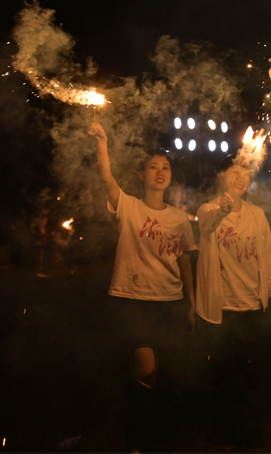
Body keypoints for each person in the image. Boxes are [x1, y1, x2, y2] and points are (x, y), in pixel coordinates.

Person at [89, 122, 196, 454]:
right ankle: (137, 444)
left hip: (170, 301)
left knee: (168, 382)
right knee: (146, 372)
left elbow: (183, 262)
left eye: (165, 167)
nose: (159, 171)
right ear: (143, 175)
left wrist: (192, 303)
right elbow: (107, 179)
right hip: (132, 299)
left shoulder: (179, 219)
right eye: (153, 166)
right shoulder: (130, 206)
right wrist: (103, 143)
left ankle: (155, 441)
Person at [195, 161, 271, 452]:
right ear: (221, 178)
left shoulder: (257, 216)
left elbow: (266, 260)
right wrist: (223, 210)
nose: (240, 178)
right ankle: (221, 432)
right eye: (233, 173)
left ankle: (250, 433)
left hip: (250, 305)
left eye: (244, 174)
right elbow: (208, 228)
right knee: (221, 373)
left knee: (249, 373)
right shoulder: (207, 209)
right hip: (220, 307)